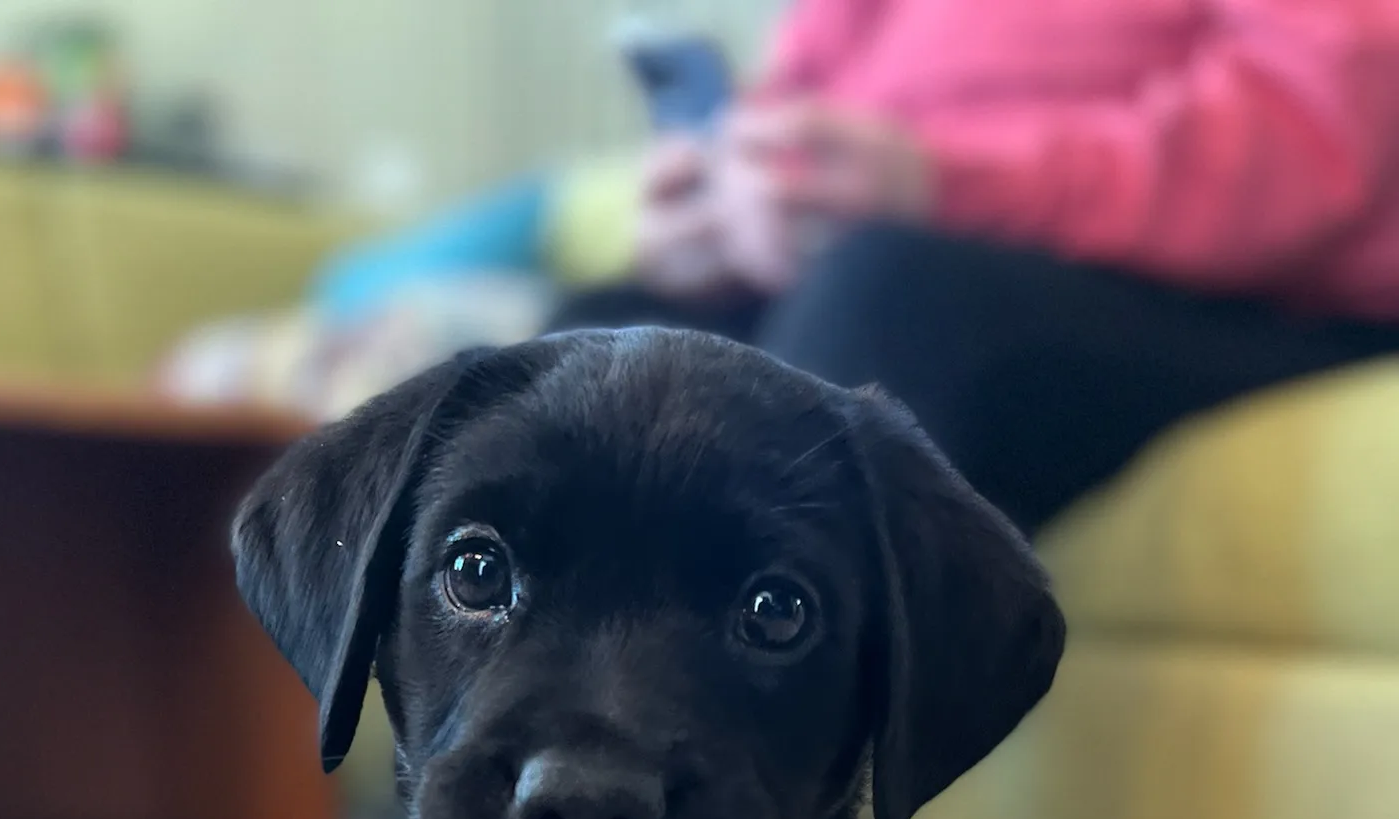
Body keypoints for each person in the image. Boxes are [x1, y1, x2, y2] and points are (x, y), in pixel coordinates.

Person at [556, 0, 1399, 532]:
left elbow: (1304, 138)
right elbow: (799, 93)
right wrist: (736, 208)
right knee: (604, 340)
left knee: (891, 298)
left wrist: (944, 183)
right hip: (910, 260)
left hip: (1249, 296)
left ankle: (745, 760)